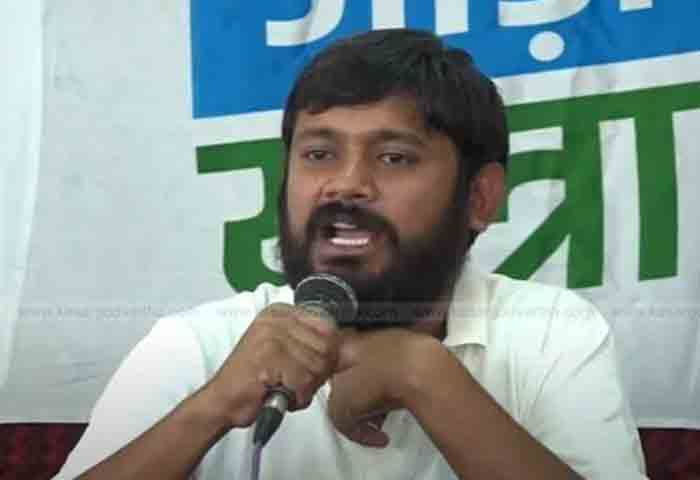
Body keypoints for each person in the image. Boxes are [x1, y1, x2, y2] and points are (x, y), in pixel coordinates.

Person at [56, 29, 647, 479]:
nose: (345, 185)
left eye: (394, 158)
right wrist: (208, 410)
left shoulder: (550, 332)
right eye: (319, 155)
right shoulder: (199, 345)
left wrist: (423, 375)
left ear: (479, 198)